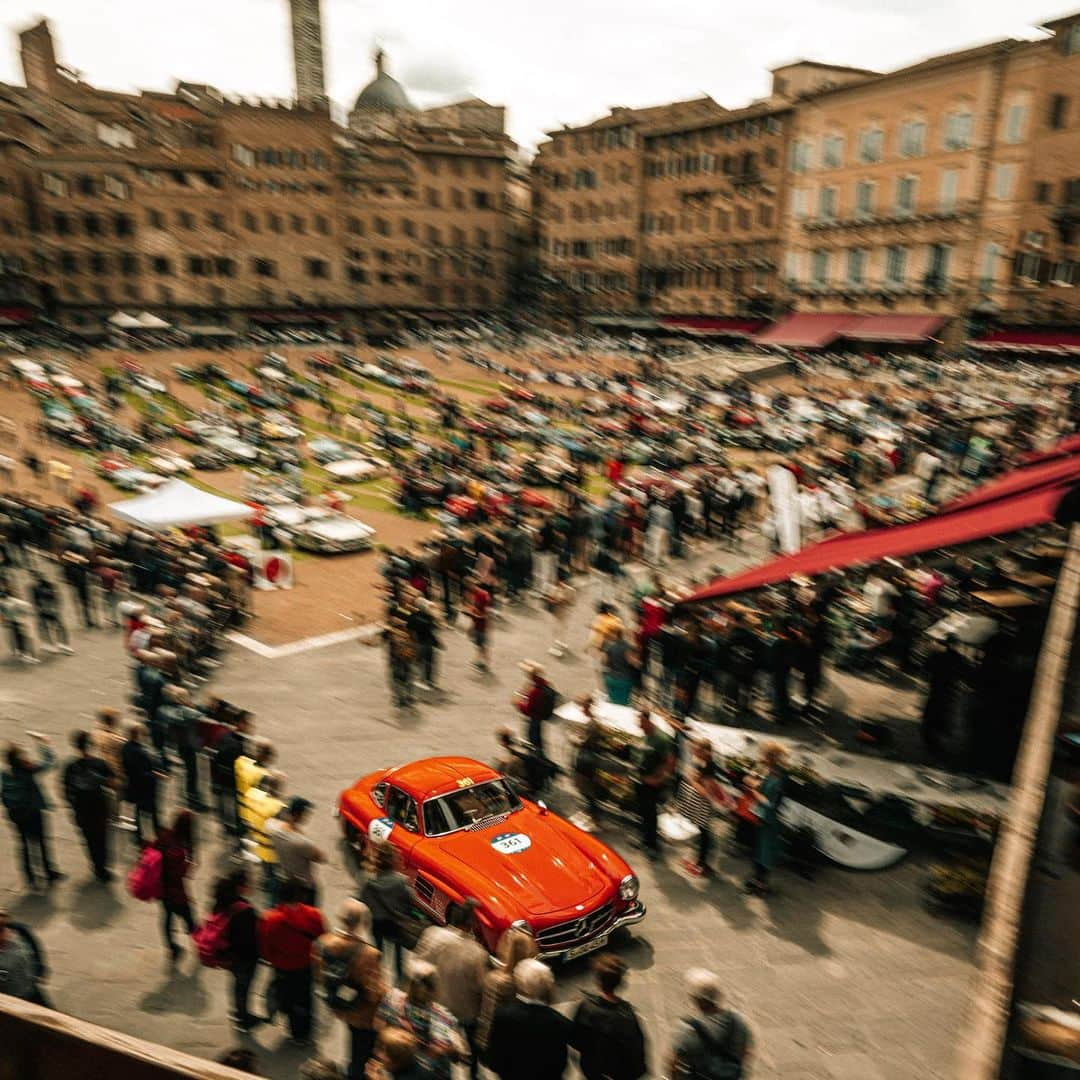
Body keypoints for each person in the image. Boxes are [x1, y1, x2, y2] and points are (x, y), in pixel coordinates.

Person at [414, 898, 489, 1078]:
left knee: (440, 1047)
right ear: (469, 926)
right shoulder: (477, 953)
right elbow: (481, 987)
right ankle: (472, 1073)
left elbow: (417, 965)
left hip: (435, 1006)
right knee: (471, 1046)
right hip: (466, 1012)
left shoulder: (431, 934)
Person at [314, 899, 385, 1080]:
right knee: (361, 1053)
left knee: (354, 1042)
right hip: (364, 1015)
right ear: (363, 922)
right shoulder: (369, 954)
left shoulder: (323, 942)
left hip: (339, 1004)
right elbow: (374, 992)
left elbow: (319, 974)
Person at [259, 878, 327, 1045]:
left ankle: (291, 1025)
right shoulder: (314, 915)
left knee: (287, 995)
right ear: (301, 896)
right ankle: (303, 1034)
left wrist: (273, 959)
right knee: (305, 998)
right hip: (306, 964)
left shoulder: (270, 919)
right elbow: (322, 940)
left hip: (282, 966)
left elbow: (265, 947)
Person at [376, 959, 467, 1080]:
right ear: (434, 990)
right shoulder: (443, 1017)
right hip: (433, 1074)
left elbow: (378, 1025)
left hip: (397, 1065)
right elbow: (458, 1057)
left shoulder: (391, 998)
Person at [485, 957, 571, 1080]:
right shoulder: (559, 1022)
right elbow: (560, 1061)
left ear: (520, 984)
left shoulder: (503, 1015)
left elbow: (494, 1056)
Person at [570, 954, 648, 1080]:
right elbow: (637, 1054)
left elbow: (575, 1039)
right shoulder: (628, 1015)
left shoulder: (585, 1007)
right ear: (620, 982)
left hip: (592, 1072)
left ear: (598, 981)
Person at [2, 734, 64, 891]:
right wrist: (43, 744)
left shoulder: (4, 775)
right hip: (33, 812)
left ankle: (30, 878)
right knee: (41, 842)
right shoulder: (27, 770)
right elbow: (50, 762)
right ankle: (48, 872)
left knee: (23, 845)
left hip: (16, 815)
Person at [669, 968, 751, 1079]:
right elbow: (745, 1052)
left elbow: (674, 1064)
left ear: (697, 1000)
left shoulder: (687, 1030)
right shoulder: (739, 1021)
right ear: (718, 995)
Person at [209, 868, 262, 1032]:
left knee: (238, 985)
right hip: (245, 957)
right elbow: (251, 937)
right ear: (241, 886)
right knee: (244, 986)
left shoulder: (221, 901)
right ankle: (243, 1018)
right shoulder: (245, 910)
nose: (252, 885)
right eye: (249, 883)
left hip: (228, 955)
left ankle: (238, 1012)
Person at [475, 926, 539, 1058]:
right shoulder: (534, 980)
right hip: (527, 1044)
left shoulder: (497, 981)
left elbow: (489, 1015)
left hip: (502, 1044)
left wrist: (483, 1043)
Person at [62, 729, 115, 882]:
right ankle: (103, 868)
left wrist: (72, 805)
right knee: (102, 839)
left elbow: (65, 789)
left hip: (81, 810)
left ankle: (96, 866)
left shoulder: (70, 767)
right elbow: (114, 783)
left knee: (89, 840)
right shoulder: (99, 763)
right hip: (99, 808)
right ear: (91, 745)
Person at [361, 842, 414, 982]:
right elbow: (409, 900)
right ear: (392, 860)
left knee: (378, 953)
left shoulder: (368, 880)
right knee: (398, 956)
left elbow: (363, 901)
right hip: (395, 924)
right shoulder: (401, 881)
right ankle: (399, 982)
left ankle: (378, 980)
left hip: (376, 923)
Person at [678, 739, 727, 879]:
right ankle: (701, 862)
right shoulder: (703, 762)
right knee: (703, 832)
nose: (693, 752)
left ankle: (703, 864)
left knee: (705, 833)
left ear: (705, 751)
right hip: (701, 804)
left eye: (697, 749)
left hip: (705, 804)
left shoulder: (709, 766)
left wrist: (692, 780)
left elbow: (706, 792)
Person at [743, 743, 788, 896]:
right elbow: (753, 782)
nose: (760, 757)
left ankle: (762, 883)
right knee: (758, 850)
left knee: (765, 852)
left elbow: (770, 803)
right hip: (761, 815)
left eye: (763, 755)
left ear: (770, 758)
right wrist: (754, 779)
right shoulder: (769, 771)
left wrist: (755, 792)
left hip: (768, 819)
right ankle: (757, 879)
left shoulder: (779, 778)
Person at [267, 795, 325, 905]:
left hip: (285, 879)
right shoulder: (302, 842)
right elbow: (321, 857)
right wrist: (299, 832)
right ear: (299, 815)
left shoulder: (272, 827)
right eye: (306, 813)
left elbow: (272, 822)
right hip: (304, 886)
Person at [156, 809, 197, 963]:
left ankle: (172, 948)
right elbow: (180, 874)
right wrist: (187, 865)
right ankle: (201, 944)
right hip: (175, 891)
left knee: (166, 918)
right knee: (189, 918)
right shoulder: (179, 849)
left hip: (161, 888)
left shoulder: (165, 835)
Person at [634, 710, 675, 859]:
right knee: (643, 812)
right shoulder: (645, 736)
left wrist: (659, 779)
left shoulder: (661, 739)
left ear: (648, 721)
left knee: (651, 815)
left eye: (641, 723)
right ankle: (645, 841)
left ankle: (653, 847)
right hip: (642, 781)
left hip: (652, 784)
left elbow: (670, 762)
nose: (639, 725)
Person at [122, 722, 162, 846]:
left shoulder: (126, 747)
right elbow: (142, 772)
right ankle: (157, 836)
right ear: (137, 735)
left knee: (138, 812)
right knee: (151, 812)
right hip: (145, 787)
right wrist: (156, 775)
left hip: (133, 785)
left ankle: (138, 837)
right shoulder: (139, 752)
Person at [212, 712, 251, 836]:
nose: (249, 726)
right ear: (238, 723)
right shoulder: (236, 742)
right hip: (232, 779)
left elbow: (215, 756)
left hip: (223, 777)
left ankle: (227, 826)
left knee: (225, 803)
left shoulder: (225, 735)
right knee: (235, 804)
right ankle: (237, 828)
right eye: (246, 723)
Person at [0, 909, 49, 1004]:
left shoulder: (20, 931)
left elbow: (34, 946)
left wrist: (40, 969)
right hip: (11, 999)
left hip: (31, 988)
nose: (5, 934)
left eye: (4, 928)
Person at [513, 661, 557, 759]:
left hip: (534, 720)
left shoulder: (535, 691)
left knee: (534, 742)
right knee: (539, 741)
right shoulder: (545, 684)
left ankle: (537, 761)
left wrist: (518, 704)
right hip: (541, 718)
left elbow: (528, 710)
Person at [30, 573, 72, 654]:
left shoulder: (35, 588)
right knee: (59, 627)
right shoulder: (50, 587)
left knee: (46, 628)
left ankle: (52, 644)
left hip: (45, 610)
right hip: (52, 610)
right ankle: (63, 644)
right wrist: (57, 607)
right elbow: (58, 598)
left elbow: (35, 601)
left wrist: (37, 609)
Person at [602, 626, 638, 706]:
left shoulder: (610, 648)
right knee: (622, 705)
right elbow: (633, 663)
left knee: (613, 703)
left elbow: (604, 662)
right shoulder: (628, 648)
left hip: (611, 679)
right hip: (624, 680)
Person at [464, 576, 493, 672]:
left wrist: (476, 614)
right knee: (478, 644)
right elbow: (474, 609)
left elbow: (487, 613)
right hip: (476, 623)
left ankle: (486, 664)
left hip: (482, 625)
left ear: (474, 584)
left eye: (470, 586)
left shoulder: (483, 595)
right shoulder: (473, 595)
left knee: (483, 645)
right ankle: (479, 661)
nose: (469, 588)